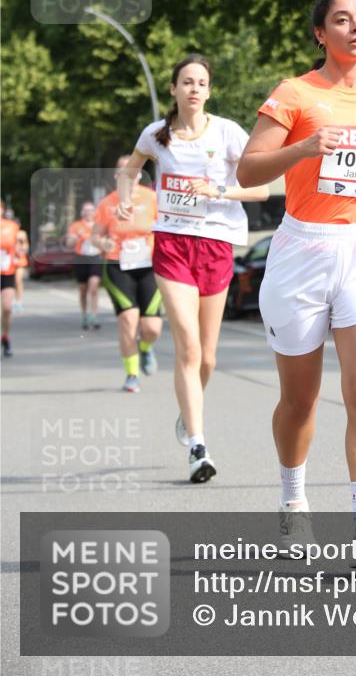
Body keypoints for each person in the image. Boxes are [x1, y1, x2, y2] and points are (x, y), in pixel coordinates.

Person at [236, 0, 356, 559]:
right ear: (320, 33)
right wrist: (305, 148)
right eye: (342, 19)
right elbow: (248, 170)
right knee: (301, 400)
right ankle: (293, 504)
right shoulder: (293, 93)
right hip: (302, 253)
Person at [117, 54, 270, 484]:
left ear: (209, 90)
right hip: (171, 245)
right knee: (187, 347)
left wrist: (219, 188)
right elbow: (129, 173)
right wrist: (128, 196)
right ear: (173, 89)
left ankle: (189, 412)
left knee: (208, 356)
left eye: (202, 82)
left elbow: (262, 187)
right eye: (187, 82)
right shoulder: (156, 135)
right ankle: (198, 446)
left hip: (217, 244)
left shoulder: (227, 133)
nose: (195, 89)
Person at [93, 158, 163, 393]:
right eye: (121, 172)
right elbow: (94, 235)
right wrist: (102, 241)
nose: (127, 176)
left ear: (139, 175)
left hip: (149, 265)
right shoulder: (107, 204)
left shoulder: (151, 198)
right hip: (117, 264)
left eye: (131, 172)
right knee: (128, 319)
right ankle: (131, 374)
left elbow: (166, 225)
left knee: (152, 327)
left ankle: (145, 347)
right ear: (116, 177)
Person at [66, 202, 102, 329]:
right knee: (83, 290)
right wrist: (75, 237)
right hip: (81, 258)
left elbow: (106, 241)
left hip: (95, 257)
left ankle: (94, 315)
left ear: (94, 212)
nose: (88, 213)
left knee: (94, 286)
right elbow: (69, 243)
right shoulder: (76, 226)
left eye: (91, 210)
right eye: (86, 210)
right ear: (82, 213)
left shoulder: (99, 225)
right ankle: (84, 315)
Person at [1, 199, 20, 356]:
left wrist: (19, 252)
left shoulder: (12, 226)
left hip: (7, 271)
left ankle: (5, 337)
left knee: (7, 308)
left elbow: (20, 245)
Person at [13, 226, 29, 313]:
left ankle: (19, 301)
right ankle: (11, 300)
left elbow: (26, 247)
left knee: (18, 280)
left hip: (19, 260)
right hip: (9, 261)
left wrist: (21, 243)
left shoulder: (22, 233)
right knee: (9, 283)